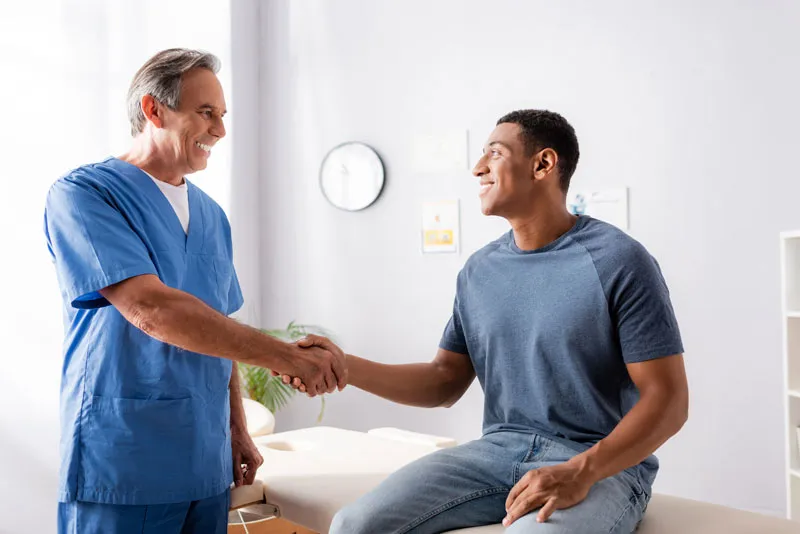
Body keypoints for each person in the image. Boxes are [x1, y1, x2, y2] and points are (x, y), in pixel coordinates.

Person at [297, 110, 689, 533]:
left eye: (494, 154)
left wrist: (583, 470)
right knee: (353, 525)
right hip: (496, 454)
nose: (477, 168)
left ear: (542, 164)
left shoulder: (619, 260)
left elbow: (668, 400)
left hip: (600, 465)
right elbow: (444, 380)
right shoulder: (479, 270)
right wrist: (345, 367)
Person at [44, 48, 346, 534]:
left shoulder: (212, 216)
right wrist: (287, 357)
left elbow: (219, 328)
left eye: (223, 115)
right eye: (206, 113)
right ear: (153, 109)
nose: (220, 130)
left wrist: (236, 428)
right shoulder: (86, 194)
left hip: (205, 462)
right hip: (123, 458)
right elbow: (152, 309)